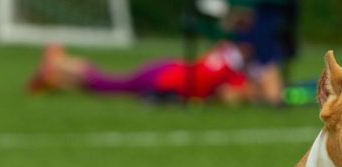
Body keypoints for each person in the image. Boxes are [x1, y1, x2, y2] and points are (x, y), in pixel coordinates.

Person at [27, 42, 255, 104]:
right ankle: (59, 62)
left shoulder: (223, 52)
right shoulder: (233, 73)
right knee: (107, 84)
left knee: (111, 87)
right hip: (164, 80)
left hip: (166, 69)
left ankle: (57, 78)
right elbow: (229, 96)